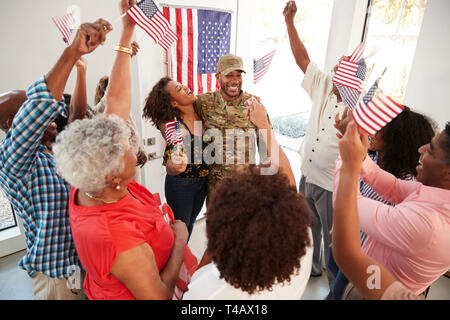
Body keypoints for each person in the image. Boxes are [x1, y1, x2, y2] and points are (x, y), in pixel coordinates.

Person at [53, 0, 197, 300]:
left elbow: (116, 102)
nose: (134, 150)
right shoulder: (113, 235)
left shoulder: (92, 175)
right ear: (115, 177)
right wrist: (180, 240)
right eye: (128, 150)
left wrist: (127, 30)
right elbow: (156, 296)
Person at [0, 18, 112, 299]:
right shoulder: (14, 161)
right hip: (60, 278)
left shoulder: (49, 151)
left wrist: (81, 70)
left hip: (86, 267)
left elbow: (75, 120)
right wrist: (72, 52)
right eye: (36, 113)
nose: (53, 114)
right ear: (17, 121)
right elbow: (39, 107)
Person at [184, 98, 313, 299]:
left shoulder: (207, 292)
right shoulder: (301, 249)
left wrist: (208, 250)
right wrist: (264, 126)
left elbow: (194, 285)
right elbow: (289, 185)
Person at [332, 120, 450, 298]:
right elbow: (393, 187)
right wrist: (361, 155)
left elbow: (349, 206)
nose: (421, 149)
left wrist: (348, 160)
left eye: (431, 151)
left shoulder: (430, 225)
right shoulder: (436, 195)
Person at [283, 0, 349, 289]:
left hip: (332, 185)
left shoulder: (358, 106)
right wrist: (289, 22)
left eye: (342, 70)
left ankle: (336, 287)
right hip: (307, 174)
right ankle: (311, 270)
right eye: (336, 67)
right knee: (309, 230)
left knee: (337, 241)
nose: (335, 72)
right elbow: (302, 59)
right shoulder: (324, 83)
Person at [143, 77, 210, 239]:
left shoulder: (202, 110)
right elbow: (171, 163)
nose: (186, 88)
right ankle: (174, 263)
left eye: (182, 85)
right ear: (173, 102)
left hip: (202, 182)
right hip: (182, 185)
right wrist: (174, 163)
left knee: (190, 224)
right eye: (179, 89)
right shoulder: (174, 126)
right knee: (180, 232)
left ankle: (181, 262)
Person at [195, 54, 271, 197]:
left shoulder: (254, 104)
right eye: (229, 75)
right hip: (215, 187)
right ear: (218, 77)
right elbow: (180, 114)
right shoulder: (203, 102)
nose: (235, 80)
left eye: (238, 75)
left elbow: (266, 142)